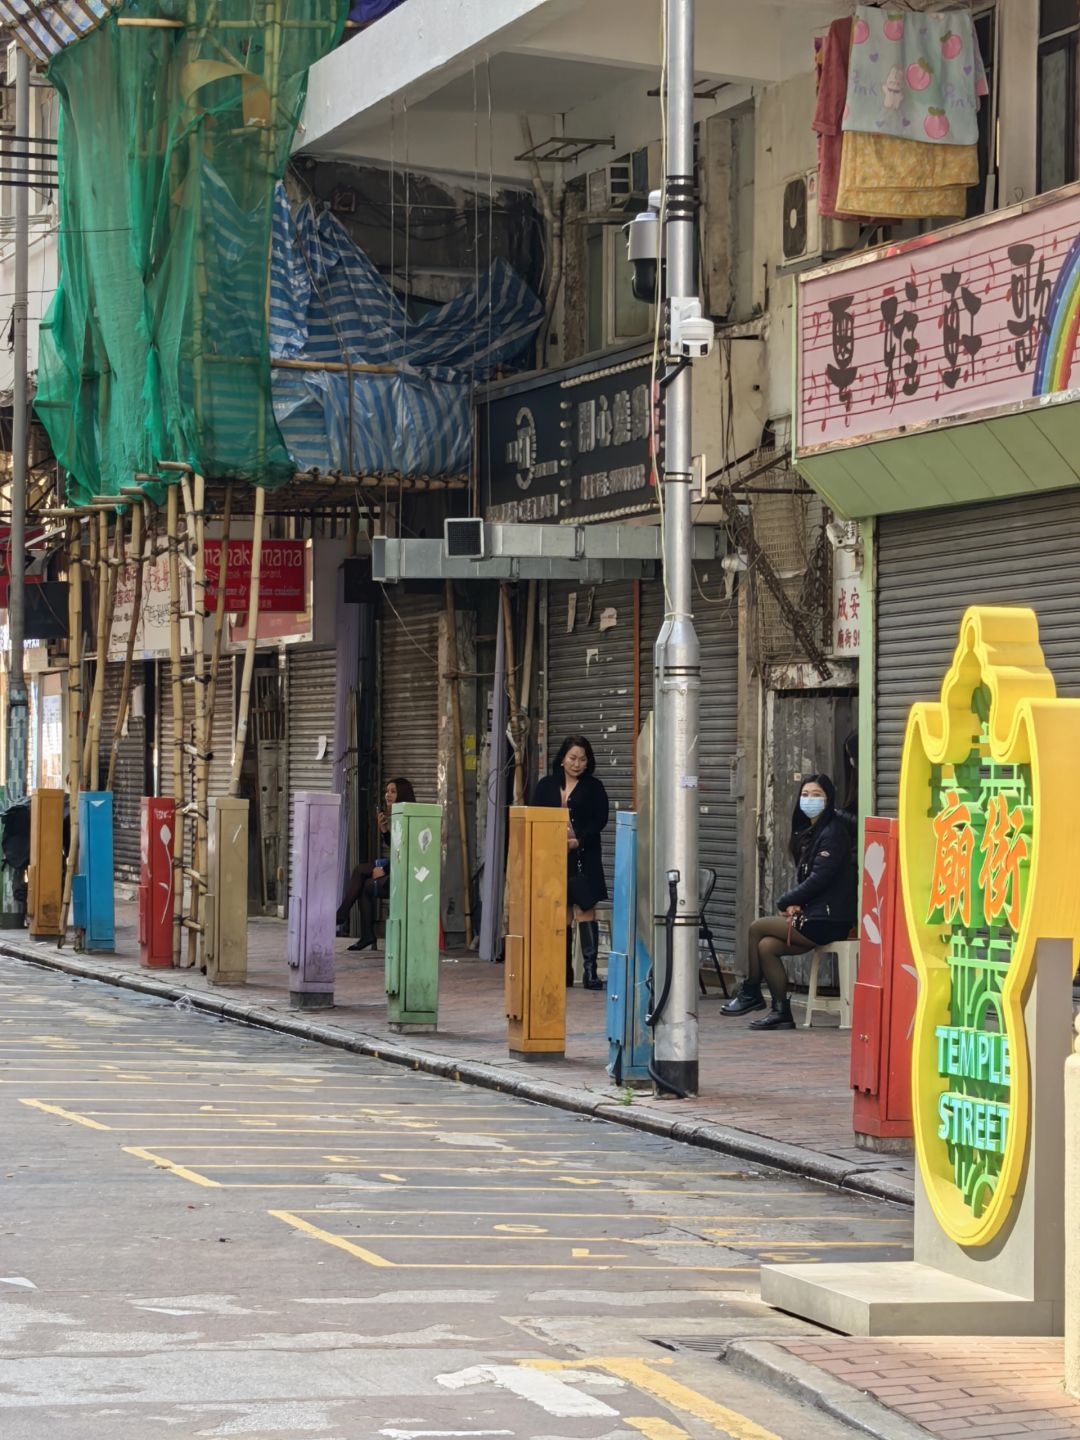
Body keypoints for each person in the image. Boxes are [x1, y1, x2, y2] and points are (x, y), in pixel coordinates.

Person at [720, 772, 856, 1031]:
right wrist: (798, 903)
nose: (809, 799)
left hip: (829, 919)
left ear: (829, 800)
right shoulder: (812, 832)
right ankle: (781, 1012)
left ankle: (751, 991)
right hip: (816, 914)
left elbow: (820, 879)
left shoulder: (832, 833)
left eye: (817, 795)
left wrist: (786, 900)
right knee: (767, 947)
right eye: (805, 794)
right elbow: (812, 880)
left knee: (757, 928)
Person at [532, 734, 609, 990]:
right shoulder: (546, 785)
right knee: (561, 910)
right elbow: (536, 816)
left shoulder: (594, 787)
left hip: (584, 857)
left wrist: (579, 840)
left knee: (585, 909)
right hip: (554, 857)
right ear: (563, 759)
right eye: (573, 758)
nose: (577, 764)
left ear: (588, 762)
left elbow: (600, 820)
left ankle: (590, 972)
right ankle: (563, 970)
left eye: (583, 759)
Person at [336, 777, 416, 951]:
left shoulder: (409, 818)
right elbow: (396, 848)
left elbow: (407, 854)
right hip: (397, 869)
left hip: (407, 876)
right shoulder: (397, 815)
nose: (388, 795)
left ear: (403, 794)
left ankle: (344, 915)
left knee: (363, 880)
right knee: (362, 879)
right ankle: (361, 930)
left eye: (393, 792)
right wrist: (384, 831)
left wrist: (384, 869)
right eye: (387, 791)